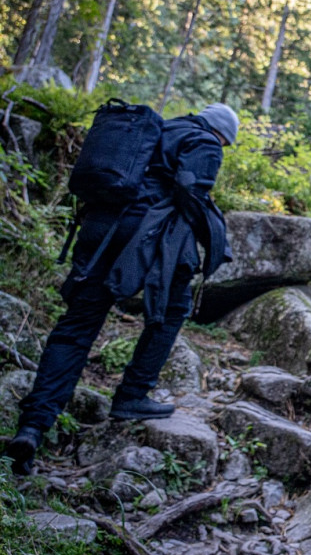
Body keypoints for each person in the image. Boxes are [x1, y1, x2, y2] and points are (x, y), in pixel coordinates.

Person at [3, 103, 237, 476]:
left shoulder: (157, 129)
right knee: (171, 310)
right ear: (224, 135)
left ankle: (33, 427)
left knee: (77, 326)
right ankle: (131, 395)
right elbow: (191, 189)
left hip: (100, 227)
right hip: (146, 238)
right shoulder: (205, 142)